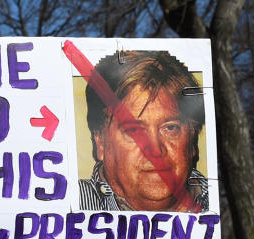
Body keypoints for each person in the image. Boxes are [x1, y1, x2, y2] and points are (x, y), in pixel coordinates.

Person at [78, 50, 208, 213]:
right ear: (101, 142)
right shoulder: (66, 206)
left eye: (170, 128)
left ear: (192, 138)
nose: (154, 150)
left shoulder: (225, 209)